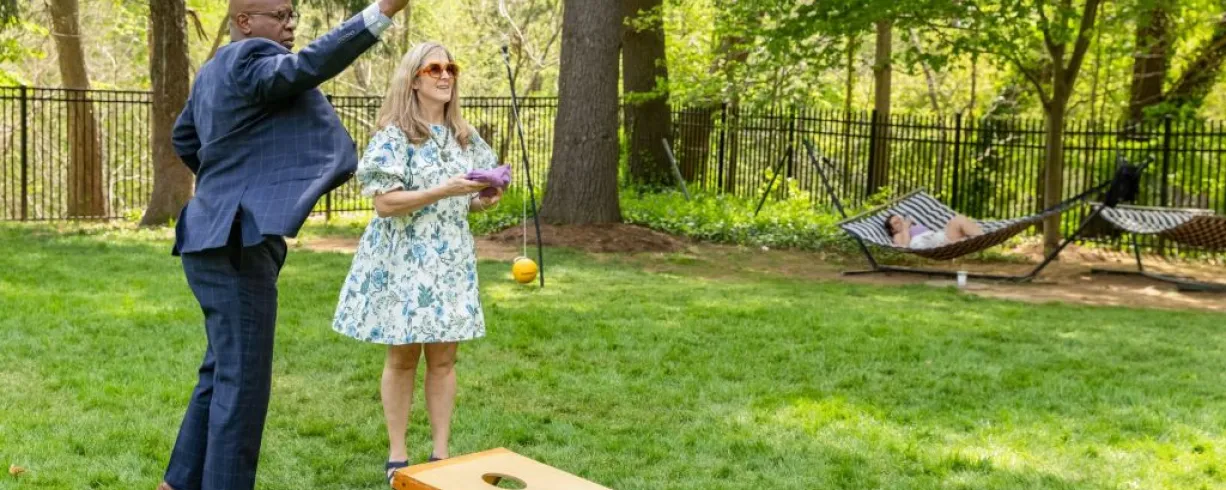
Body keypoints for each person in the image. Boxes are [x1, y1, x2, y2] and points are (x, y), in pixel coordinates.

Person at [159, 1, 409, 489]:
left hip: (208, 238)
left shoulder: (211, 73)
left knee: (221, 371)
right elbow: (307, 65)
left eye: (293, 14)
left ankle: (178, 483)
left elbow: (184, 138)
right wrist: (381, 11)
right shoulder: (252, 58)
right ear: (245, 22)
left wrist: (229, 184)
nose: (290, 23)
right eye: (279, 15)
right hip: (237, 244)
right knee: (243, 384)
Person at [329, 41, 502, 485]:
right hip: (404, 261)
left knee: (444, 360)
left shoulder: (464, 136)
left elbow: (466, 197)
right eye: (435, 68)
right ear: (413, 80)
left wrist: (482, 199)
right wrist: (444, 189)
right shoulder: (395, 136)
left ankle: (441, 454)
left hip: (450, 260)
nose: (445, 76)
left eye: (451, 68)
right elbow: (385, 203)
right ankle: (398, 456)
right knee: (403, 358)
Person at [885, 213, 984, 249]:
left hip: (939, 237)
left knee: (960, 219)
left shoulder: (911, 226)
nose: (900, 221)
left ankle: (983, 238)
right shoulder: (898, 235)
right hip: (936, 243)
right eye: (896, 223)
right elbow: (905, 246)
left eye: (899, 219)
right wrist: (906, 229)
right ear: (892, 230)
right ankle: (980, 239)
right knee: (959, 220)